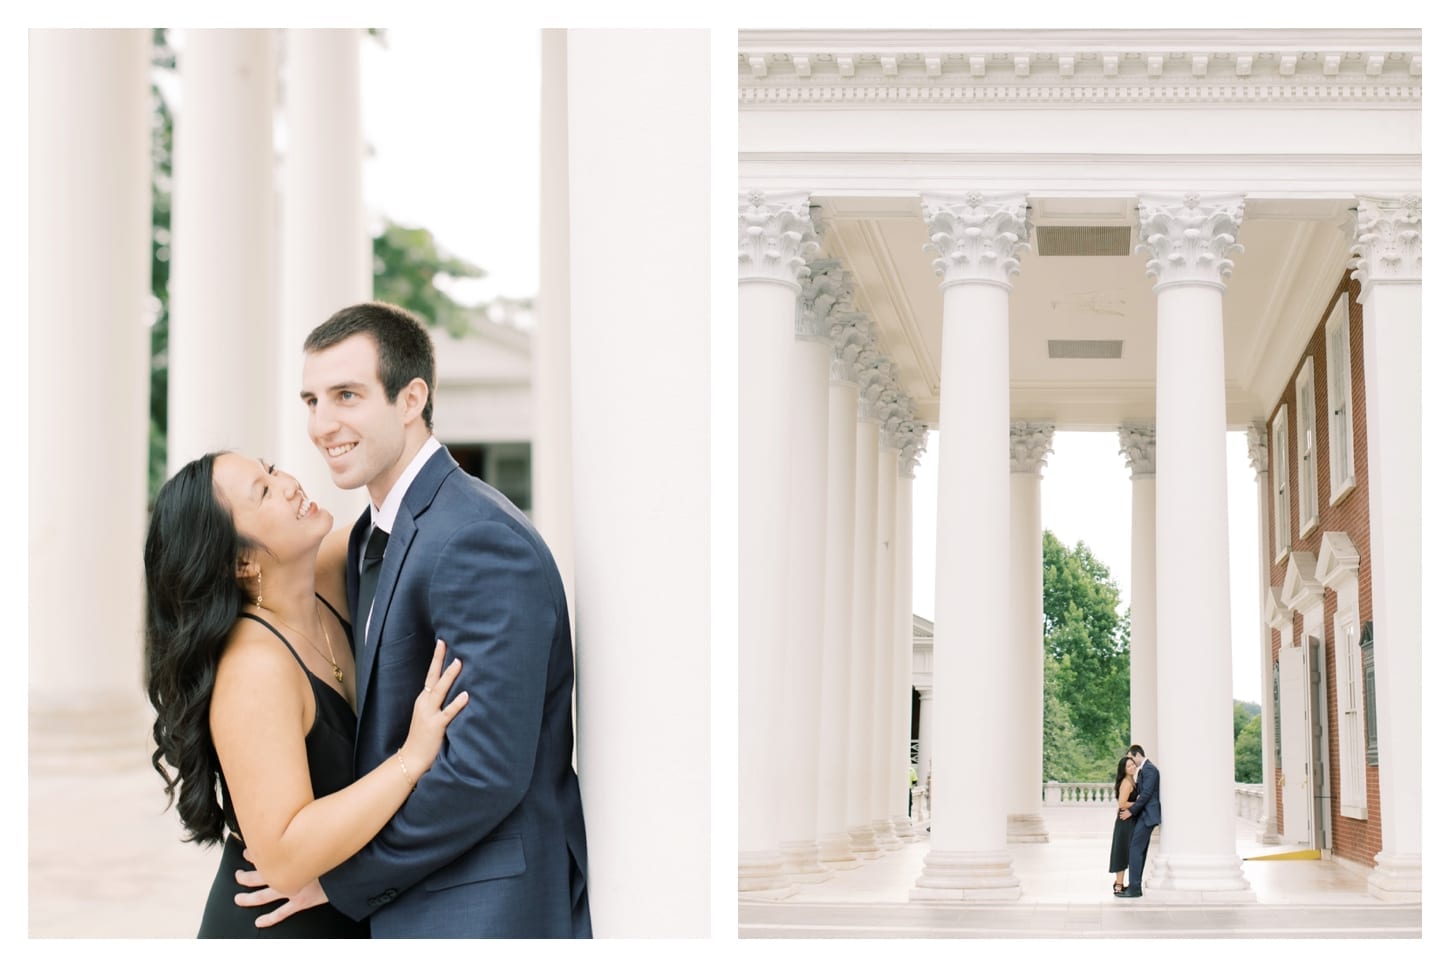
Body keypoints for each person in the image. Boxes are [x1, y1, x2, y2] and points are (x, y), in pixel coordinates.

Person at [238, 301, 591, 938]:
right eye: (311, 400)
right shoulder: (378, 533)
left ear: (410, 399)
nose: (322, 424)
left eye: (346, 395)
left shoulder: (475, 540)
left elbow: (481, 772)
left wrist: (340, 878)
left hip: (482, 907)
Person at [144, 452, 469, 937]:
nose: (290, 484)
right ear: (241, 562)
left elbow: (402, 518)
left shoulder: (325, 578)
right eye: (264, 492)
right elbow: (283, 857)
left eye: (271, 470)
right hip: (278, 929)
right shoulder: (255, 667)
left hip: (344, 911)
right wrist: (411, 759)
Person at [1116, 743, 1161, 899]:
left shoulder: (1149, 770)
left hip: (1147, 816)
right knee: (1138, 850)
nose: (1130, 762)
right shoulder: (1145, 770)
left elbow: (1146, 795)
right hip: (1144, 815)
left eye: (1130, 758)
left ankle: (1135, 888)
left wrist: (1131, 811)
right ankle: (1135, 885)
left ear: (1136, 755)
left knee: (1135, 849)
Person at [1108, 755, 1138, 895]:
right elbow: (1122, 803)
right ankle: (1118, 884)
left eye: (1133, 764)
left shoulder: (1132, 780)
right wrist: (1139, 803)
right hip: (1125, 821)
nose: (1132, 767)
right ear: (1124, 769)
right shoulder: (1127, 782)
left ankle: (1120, 883)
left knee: (1125, 851)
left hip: (1128, 819)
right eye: (1129, 766)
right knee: (1122, 851)